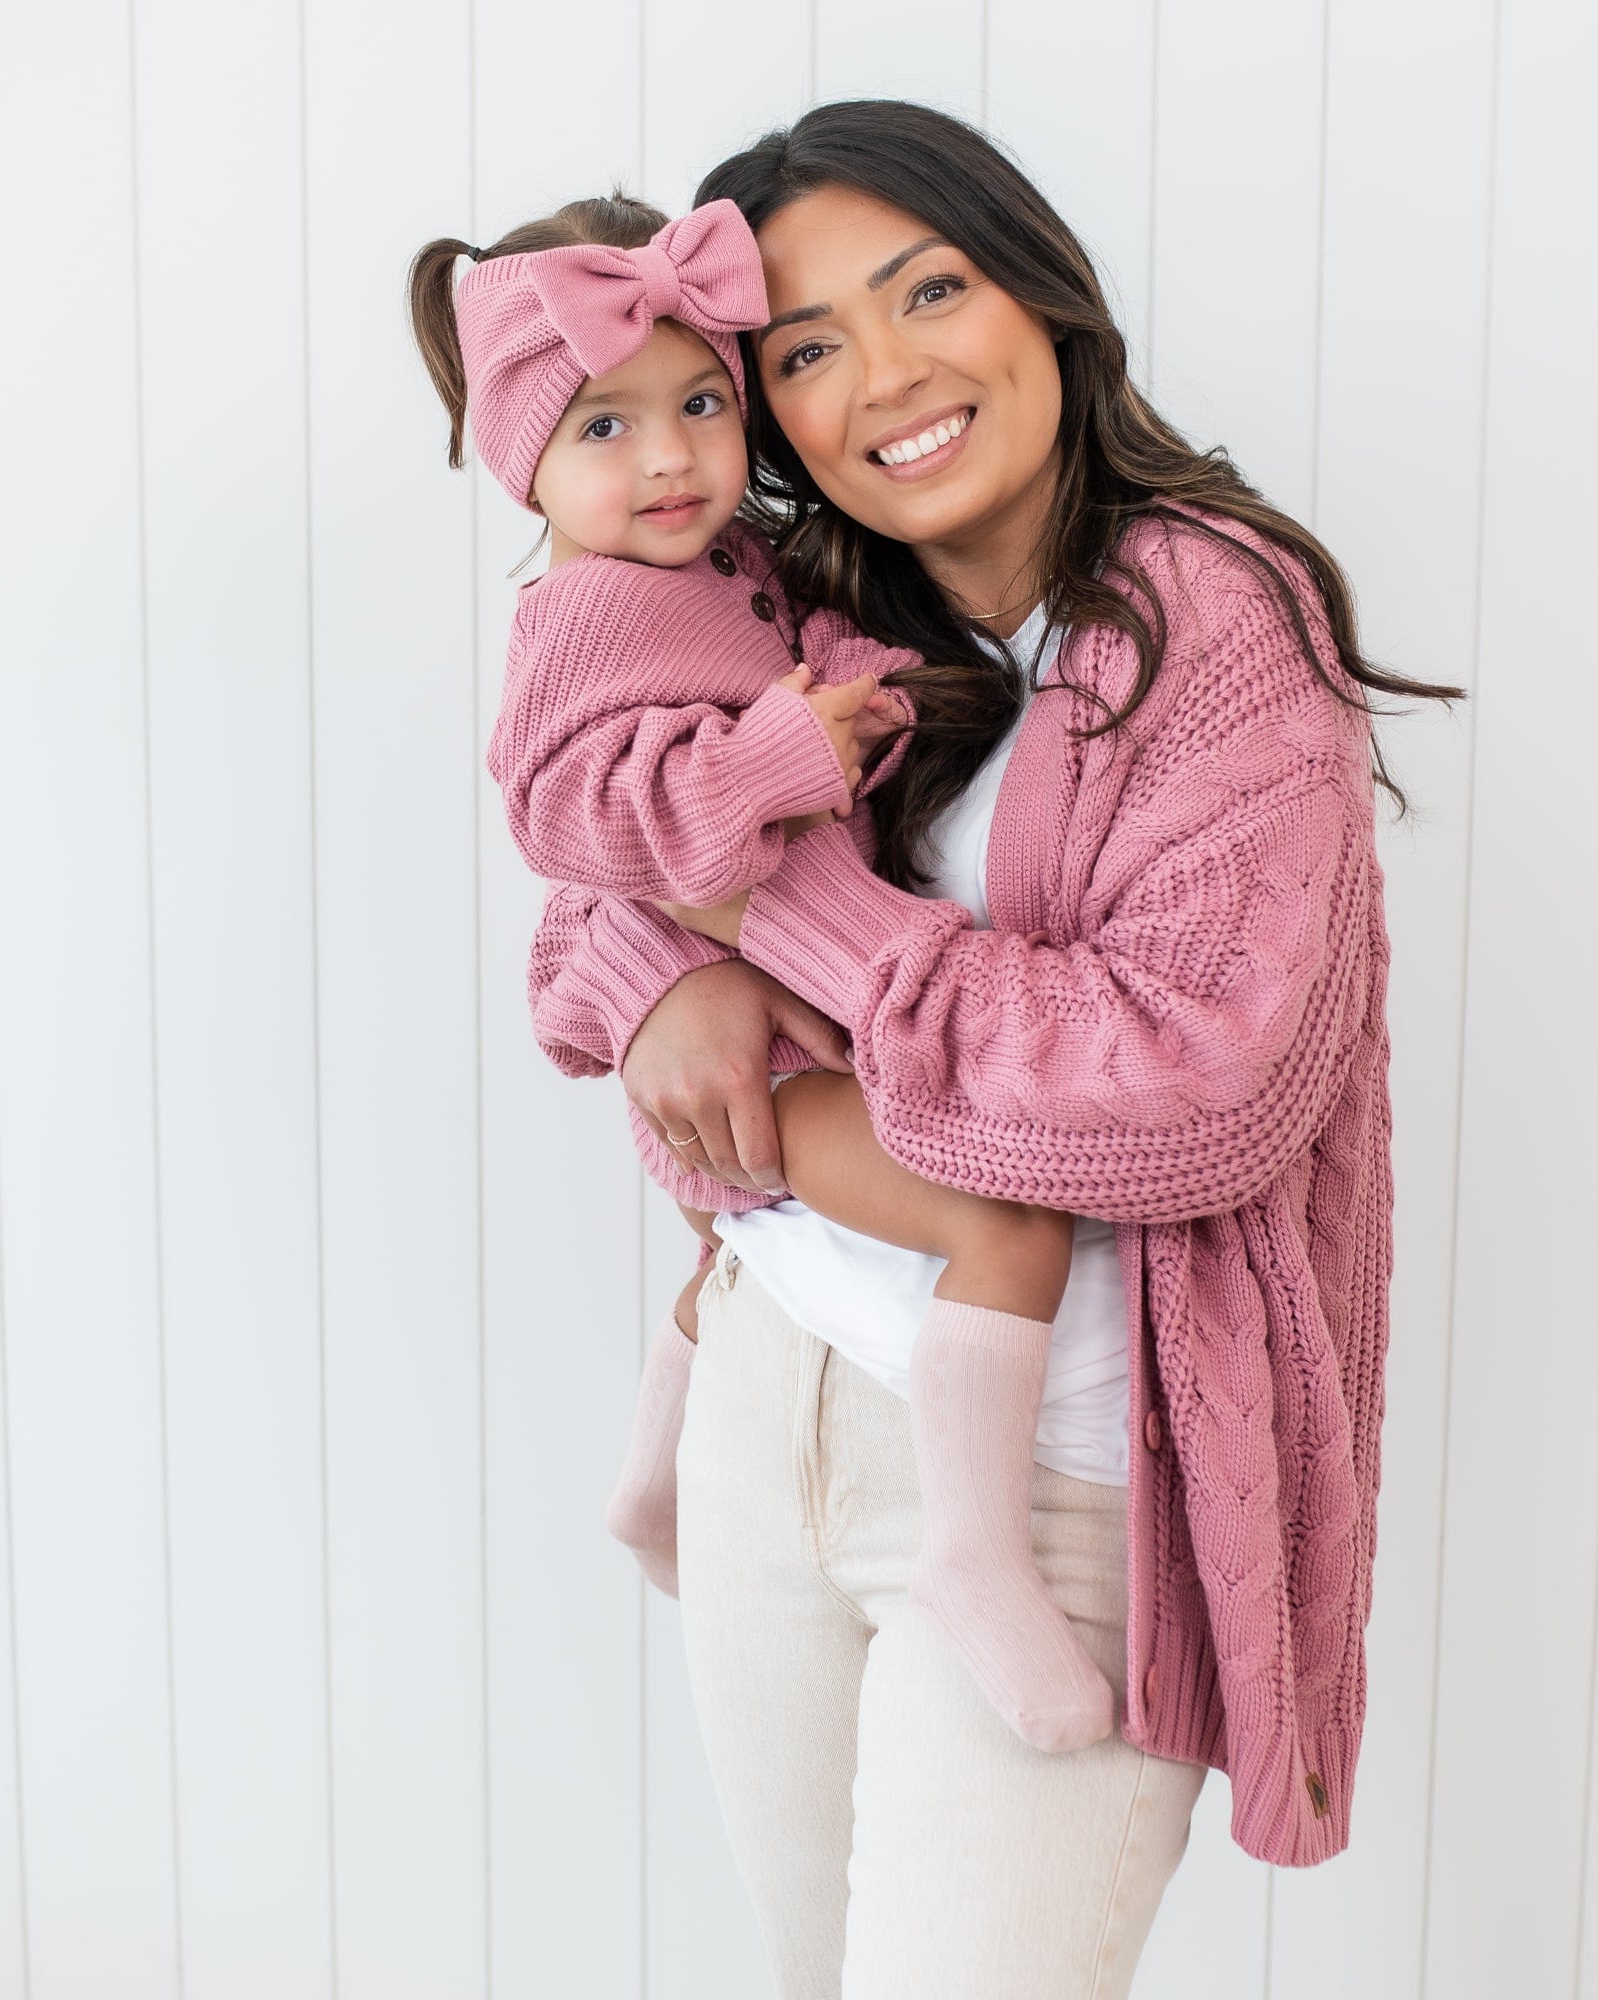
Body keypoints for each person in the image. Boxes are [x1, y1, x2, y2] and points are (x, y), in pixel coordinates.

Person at [517, 99, 1461, 1996]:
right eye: (803, 350)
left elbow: (1188, 1094)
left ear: (1040, 292)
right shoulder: (804, 607)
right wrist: (659, 984)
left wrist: (773, 929)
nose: (885, 377)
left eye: (927, 288)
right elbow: (583, 872)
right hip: (768, 1381)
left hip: (1056, 1485)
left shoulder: (1220, 621)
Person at [407, 192, 1127, 1752]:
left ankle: (652, 1480)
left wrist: (866, 686)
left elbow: (799, 653)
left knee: (733, 1250)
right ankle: (977, 1550)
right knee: (1006, 1222)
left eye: (701, 405)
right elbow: (576, 812)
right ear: (521, 460)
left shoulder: (729, 556)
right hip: (780, 1053)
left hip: (784, 1033)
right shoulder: (582, 617)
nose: (667, 458)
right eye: (606, 425)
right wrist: (778, 757)